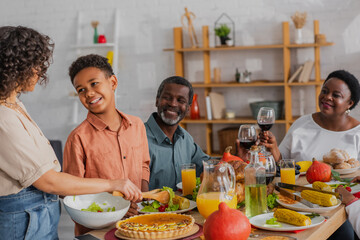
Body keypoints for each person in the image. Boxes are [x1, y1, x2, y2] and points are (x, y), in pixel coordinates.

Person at [0, 26, 142, 240]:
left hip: (38, 219)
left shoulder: (14, 105)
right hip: (23, 223)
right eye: (35, 63)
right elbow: (49, 181)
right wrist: (115, 183)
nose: (39, 71)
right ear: (18, 65)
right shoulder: (3, 117)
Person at [260, 69, 360, 240]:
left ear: (349, 103)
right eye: (324, 91)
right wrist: (274, 148)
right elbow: (283, 165)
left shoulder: (357, 133)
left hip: (340, 209)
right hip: (296, 202)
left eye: (336, 95)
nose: (327, 97)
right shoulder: (302, 124)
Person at [63, 54, 150, 235]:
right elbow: (70, 192)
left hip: (137, 225)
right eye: (81, 90)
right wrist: (116, 211)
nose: (89, 93)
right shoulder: (77, 138)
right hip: (98, 232)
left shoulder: (137, 125)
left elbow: (143, 166)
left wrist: (142, 200)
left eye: (94, 84)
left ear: (113, 82)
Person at [145, 76, 209, 190]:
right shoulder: (138, 137)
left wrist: (236, 159)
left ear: (188, 108)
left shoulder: (186, 138)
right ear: (157, 100)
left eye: (180, 100)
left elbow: (208, 166)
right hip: (148, 207)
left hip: (186, 207)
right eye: (167, 97)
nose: (173, 104)